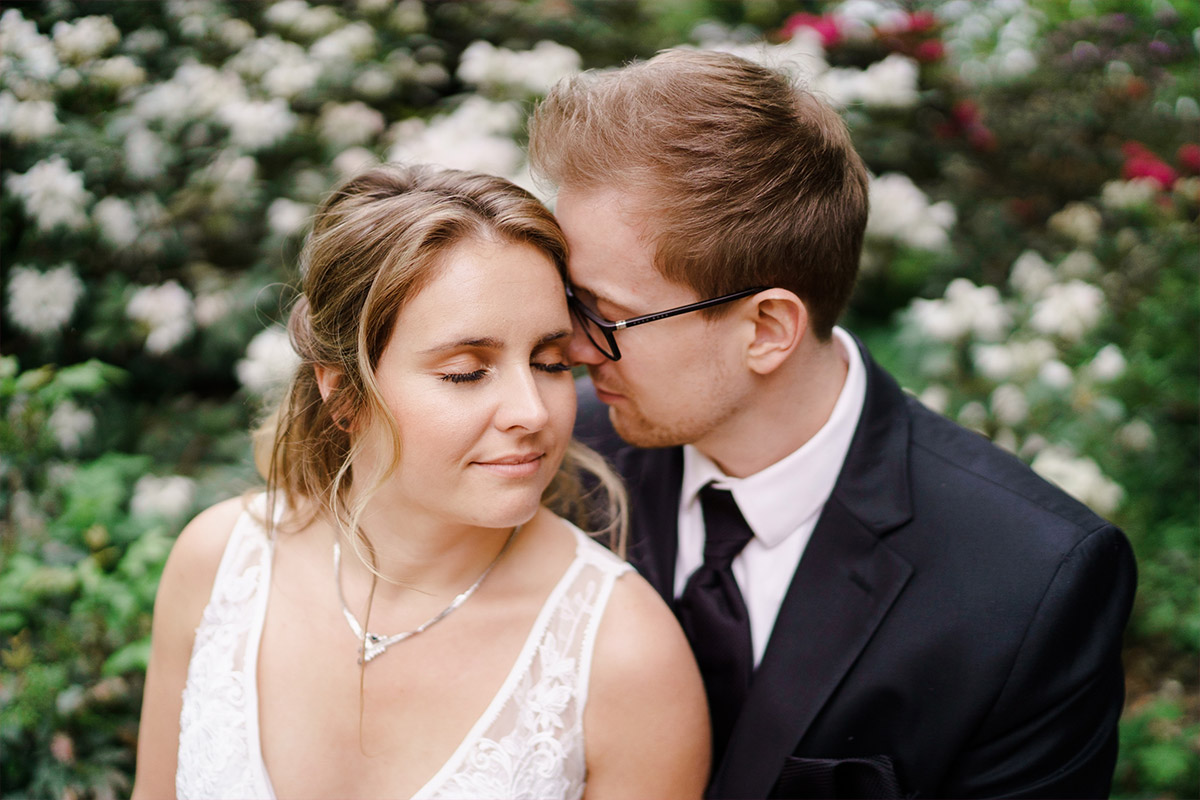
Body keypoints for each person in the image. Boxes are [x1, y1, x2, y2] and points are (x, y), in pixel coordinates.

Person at [528, 49, 1137, 799]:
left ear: (767, 328)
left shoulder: (1029, 580)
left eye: (610, 315)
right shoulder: (546, 456)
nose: (575, 346)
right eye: (570, 300)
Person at [130, 164, 709, 799]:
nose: (534, 411)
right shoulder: (218, 563)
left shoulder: (625, 654)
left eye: (550, 363)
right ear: (344, 391)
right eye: (466, 372)